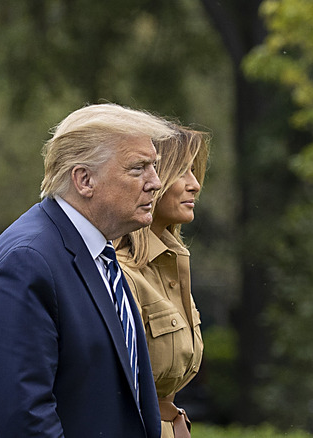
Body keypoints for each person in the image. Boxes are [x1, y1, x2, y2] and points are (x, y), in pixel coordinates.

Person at [0, 103, 177, 438]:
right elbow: (29, 422)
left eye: (154, 167)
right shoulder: (26, 263)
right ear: (84, 179)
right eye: (138, 169)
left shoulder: (96, 251)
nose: (155, 183)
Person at [115, 126, 210, 438]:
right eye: (182, 171)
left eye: (194, 172)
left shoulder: (172, 265)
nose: (195, 185)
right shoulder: (122, 273)